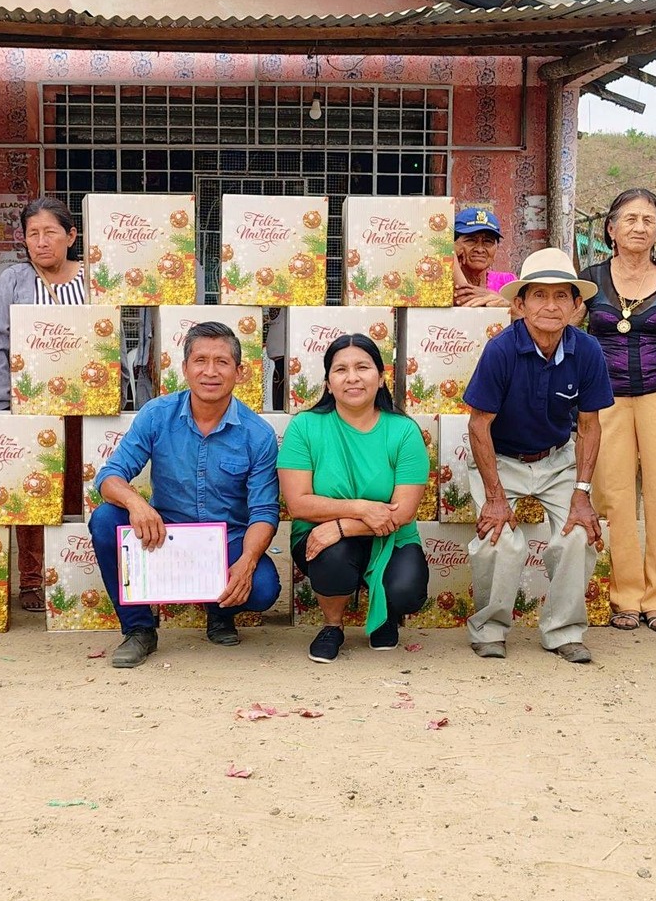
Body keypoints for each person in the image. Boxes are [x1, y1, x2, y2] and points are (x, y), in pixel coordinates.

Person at [89, 321, 283, 669]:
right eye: (200, 361)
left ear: (239, 372)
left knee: (263, 587)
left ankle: (220, 613)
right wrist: (136, 503)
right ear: (184, 368)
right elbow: (109, 476)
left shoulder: (258, 434)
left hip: (226, 540)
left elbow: (264, 512)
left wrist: (248, 561)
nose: (210, 372)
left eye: (222, 362)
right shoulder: (157, 415)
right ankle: (138, 630)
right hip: (165, 534)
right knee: (105, 519)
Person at [459, 248, 612, 663]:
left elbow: (589, 426)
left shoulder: (587, 351)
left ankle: (563, 631)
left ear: (576, 305)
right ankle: (489, 629)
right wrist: (495, 497)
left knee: (579, 534)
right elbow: (478, 425)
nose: (550, 306)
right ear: (521, 304)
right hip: (502, 458)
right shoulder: (501, 350)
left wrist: (582, 492)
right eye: (539, 295)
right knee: (498, 540)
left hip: (557, 459)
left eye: (561, 296)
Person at [578, 188, 656, 635]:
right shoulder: (589, 279)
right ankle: (623, 596)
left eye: (649, 220)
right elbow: (563, 327)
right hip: (605, 400)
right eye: (630, 219)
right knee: (611, 496)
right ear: (611, 229)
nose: (639, 227)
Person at [281, 334, 430, 662]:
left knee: (407, 591)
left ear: (381, 377)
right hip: (320, 537)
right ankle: (332, 625)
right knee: (334, 555)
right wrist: (360, 509)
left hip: (391, 535)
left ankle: (386, 616)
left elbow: (403, 512)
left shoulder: (404, 431)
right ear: (328, 383)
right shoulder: (304, 427)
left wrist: (343, 526)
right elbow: (298, 504)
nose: (352, 377)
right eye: (340, 370)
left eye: (362, 367)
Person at [0, 196, 89, 611]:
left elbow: (111, 333)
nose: (41, 242)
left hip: (84, 406)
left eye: (50, 232)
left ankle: (76, 575)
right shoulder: (14, 279)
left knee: (77, 490)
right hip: (28, 407)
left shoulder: (92, 278)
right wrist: (2, 402)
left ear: (71, 236)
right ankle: (32, 579)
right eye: (33, 234)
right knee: (31, 491)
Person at [451, 206, 517, 307]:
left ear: (497, 248)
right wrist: (450, 255)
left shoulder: (507, 282)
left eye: (488, 241)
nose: (480, 249)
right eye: (470, 240)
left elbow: (524, 314)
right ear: (454, 244)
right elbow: (463, 298)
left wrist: (496, 298)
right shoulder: (442, 283)